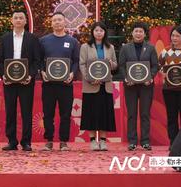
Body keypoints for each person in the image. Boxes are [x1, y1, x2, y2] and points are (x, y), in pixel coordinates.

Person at [0, 11, 43, 151]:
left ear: (25, 21)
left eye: (21, 18)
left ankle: (26, 142)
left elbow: (37, 60)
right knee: (10, 111)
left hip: (26, 82)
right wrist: (4, 75)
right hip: (9, 82)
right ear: (11, 21)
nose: (18, 20)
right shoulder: (5, 38)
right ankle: (12, 141)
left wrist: (30, 75)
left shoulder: (32, 39)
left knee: (26, 112)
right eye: (15, 18)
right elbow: (0, 60)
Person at [39, 12, 80, 151]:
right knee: (48, 113)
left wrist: (72, 73)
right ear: (51, 23)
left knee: (65, 114)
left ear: (64, 23)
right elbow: (39, 60)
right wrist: (42, 72)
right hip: (48, 84)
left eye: (59, 20)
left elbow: (76, 61)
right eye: (54, 20)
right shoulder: (44, 41)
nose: (57, 22)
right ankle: (49, 141)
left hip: (65, 84)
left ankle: (63, 141)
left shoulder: (73, 41)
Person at [119, 21, 158, 151]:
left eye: (141, 31)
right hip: (130, 86)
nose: (138, 33)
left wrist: (151, 77)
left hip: (146, 86)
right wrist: (126, 78)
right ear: (132, 33)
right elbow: (122, 65)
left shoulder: (151, 48)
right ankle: (132, 141)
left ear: (144, 34)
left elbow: (155, 66)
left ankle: (145, 141)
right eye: (136, 31)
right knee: (131, 114)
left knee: (145, 113)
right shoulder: (125, 48)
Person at [79, 21, 118, 151]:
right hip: (91, 85)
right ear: (92, 32)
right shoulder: (85, 47)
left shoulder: (110, 47)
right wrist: (89, 78)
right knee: (91, 113)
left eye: (101, 30)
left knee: (104, 113)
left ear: (105, 32)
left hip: (105, 85)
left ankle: (102, 141)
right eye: (96, 30)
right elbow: (82, 64)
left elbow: (115, 66)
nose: (99, 33)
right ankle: (92, 141)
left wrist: (111, 63)